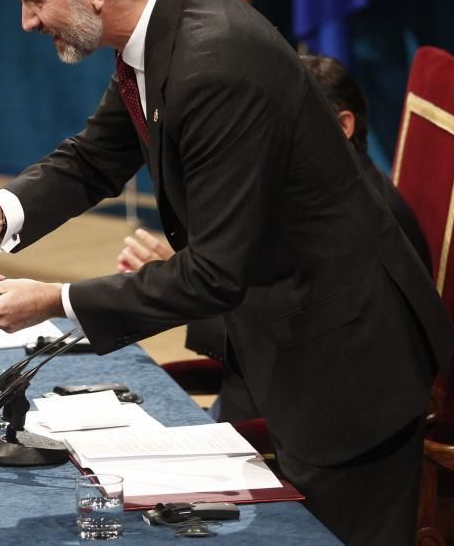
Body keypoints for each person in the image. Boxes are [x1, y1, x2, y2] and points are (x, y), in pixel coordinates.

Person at [0, 0, 454, 546]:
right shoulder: (162, 31)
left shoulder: (212, 66)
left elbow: (214, 274)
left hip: (349, 366)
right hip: (290, 338)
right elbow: (94, 159)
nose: (27, 21)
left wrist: (53, 299)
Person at [118, 54, 434, 425]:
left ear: (342, 125)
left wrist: (182, 290)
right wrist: (186, 276)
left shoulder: (352, 220)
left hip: (309, 430)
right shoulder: (317, 194)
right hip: (260, 401)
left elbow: (294, 341)